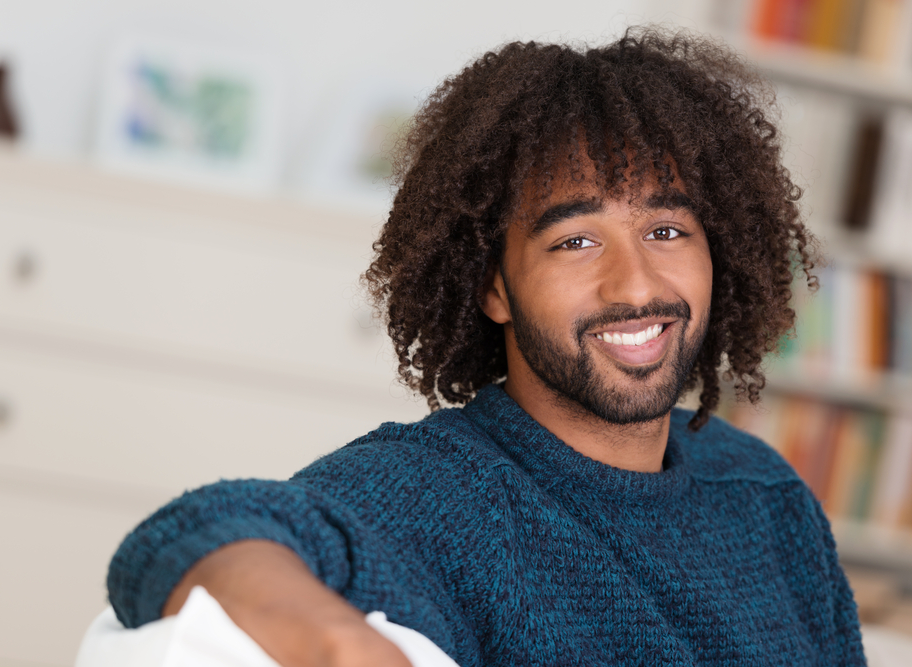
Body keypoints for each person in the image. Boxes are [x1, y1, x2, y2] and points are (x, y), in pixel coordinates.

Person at [106, 28, 866, 666]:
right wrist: (339, 643)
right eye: (575, 240)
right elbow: (193, 534)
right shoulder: (439, 496)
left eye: (666, 231)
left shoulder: (764, 492)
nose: (635, 285)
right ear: (493, 286)